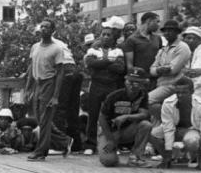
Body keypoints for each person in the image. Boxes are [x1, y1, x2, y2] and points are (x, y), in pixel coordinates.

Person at [24, 20, 72, 161]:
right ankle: (64, 141)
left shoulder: (57, 49)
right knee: (40, 119)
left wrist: (55, 96)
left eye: (47, 27)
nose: (43, 29)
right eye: (42, 26)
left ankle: (41, 151)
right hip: (37, 84)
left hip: (49, 83)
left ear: (52, 31)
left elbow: (60, 73)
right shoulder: (35, 47)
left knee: (45, 119)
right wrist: (28, 89)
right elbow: (31, 68)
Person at [149, 77, 201, 170]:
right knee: (152, 134)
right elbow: (168, 129)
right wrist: (168, 154)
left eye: (184, 92)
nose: (180, 95)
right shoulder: (168, 103)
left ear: (192, 91)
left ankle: (199, 158)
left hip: (193, 131)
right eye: (178, 92)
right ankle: (167, 158)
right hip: (175, 129)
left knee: (192, 141)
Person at [96, 67, 152, 167]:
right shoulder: (114, 95)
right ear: (125, 81)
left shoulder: (143, 95)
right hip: (109, 131)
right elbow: (102, 118)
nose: (132, 85)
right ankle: (112, 151)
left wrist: (126, 116)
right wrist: (110, 139)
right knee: (108, 161)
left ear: (143, 84)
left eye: (137, 82)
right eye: (130, 81)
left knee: (146, 125)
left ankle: (135, 157)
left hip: (127, 130)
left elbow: (144, 114)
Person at [82, 27, 126, 155]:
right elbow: (91, 63)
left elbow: (120, 68)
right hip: (96, 85)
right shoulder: (92, 50)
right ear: (100, 36)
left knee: (111, 115)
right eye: (103, 34)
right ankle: (90, 144)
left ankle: (112, 144)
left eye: (109, 35)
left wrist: (100, 63)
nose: (106, 37)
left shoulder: (118, 51)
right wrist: (108, 61)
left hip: (111, 85)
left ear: (113, 38)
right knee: (93, 114)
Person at [148, 20, 192, 110]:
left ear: (177, 32)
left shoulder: (182, 47)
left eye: (170, 30)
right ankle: (163, 121)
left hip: (174, 85)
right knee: (152, 104)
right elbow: (151, 70)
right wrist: (159, 70)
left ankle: (166, 119)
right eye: (165, 31)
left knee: (147, 100)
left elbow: (172, 70)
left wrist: (158, 70)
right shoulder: (163, 49)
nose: (167, 33)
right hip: (161, 84)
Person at [122, 12, 162, 82]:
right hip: (139, 80)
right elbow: (130, 65)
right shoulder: (131, 40)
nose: (159, 25)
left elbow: (161, 59)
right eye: (157, 22)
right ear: (149, 21)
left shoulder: (158, 38)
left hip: (156, 79)